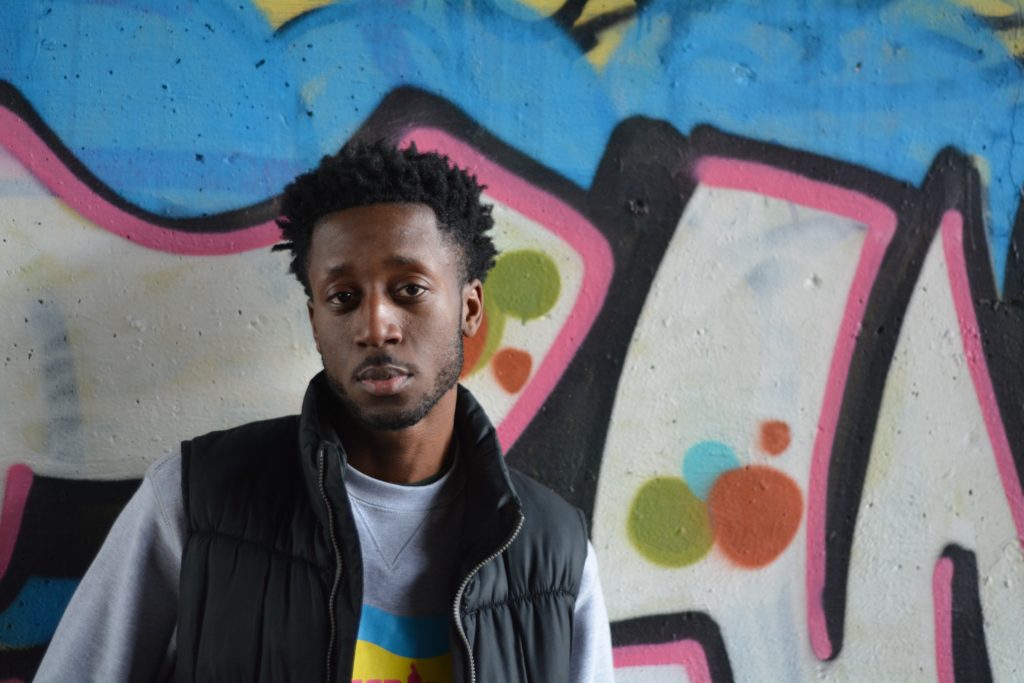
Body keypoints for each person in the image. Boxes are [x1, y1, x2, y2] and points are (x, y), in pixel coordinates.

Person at [36, 141, 614, 682]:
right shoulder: (196, 499)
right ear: (316, 322)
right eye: (343, 298)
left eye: (409, 289)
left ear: (469, 308)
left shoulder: (555, 552)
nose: (376, 327)